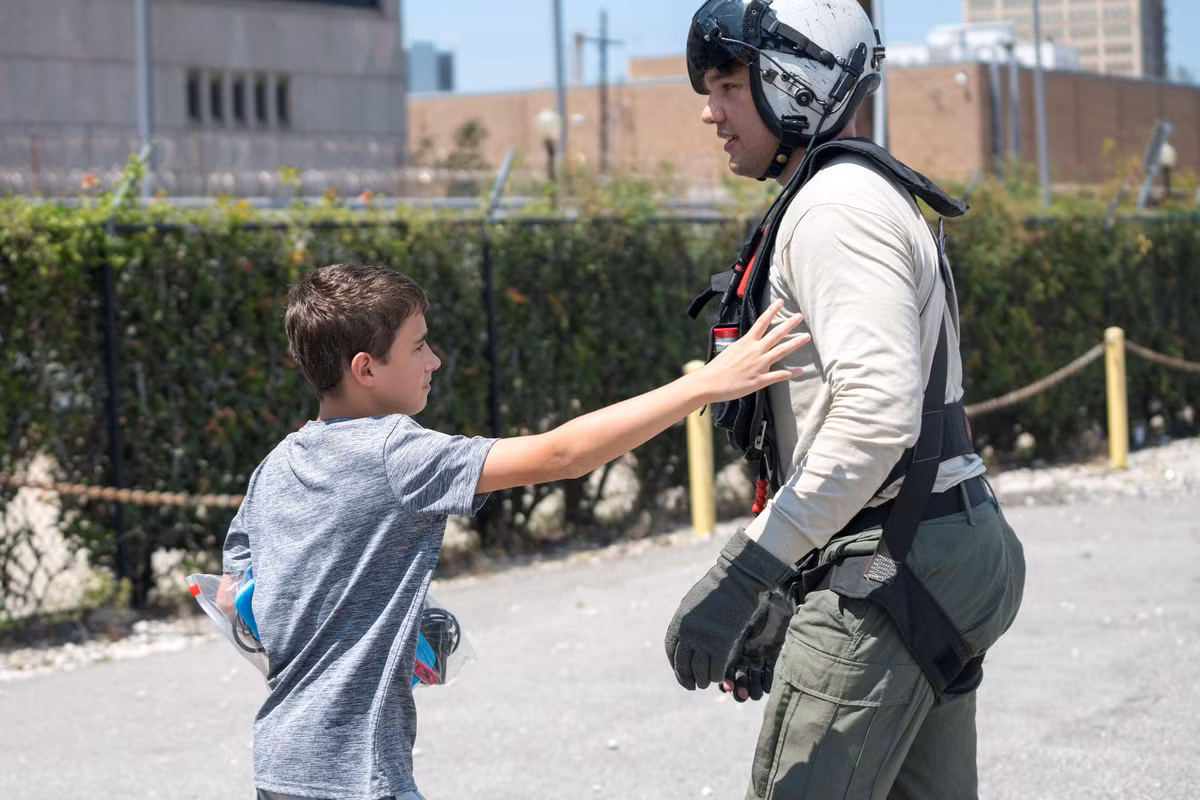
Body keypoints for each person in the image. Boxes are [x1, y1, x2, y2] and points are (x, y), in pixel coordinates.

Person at [221, 262, 808, 800]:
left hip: (281, 762)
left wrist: (366, 626)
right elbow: (561, 455)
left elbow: (235, 597)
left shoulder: (277, 464)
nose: (435, 360)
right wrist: (705, 384)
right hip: (356, 773)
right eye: (419, 346)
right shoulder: (393, 453)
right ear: (366, 369)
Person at [662, 1, 1027, 798]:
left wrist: (747, 572)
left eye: (726, 84)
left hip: (892, 556)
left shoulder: (834, 209)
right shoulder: (849, 194)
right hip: (926, 543)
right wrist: (795, 572)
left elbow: (873, 416)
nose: (708, 110)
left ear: (797, 83)